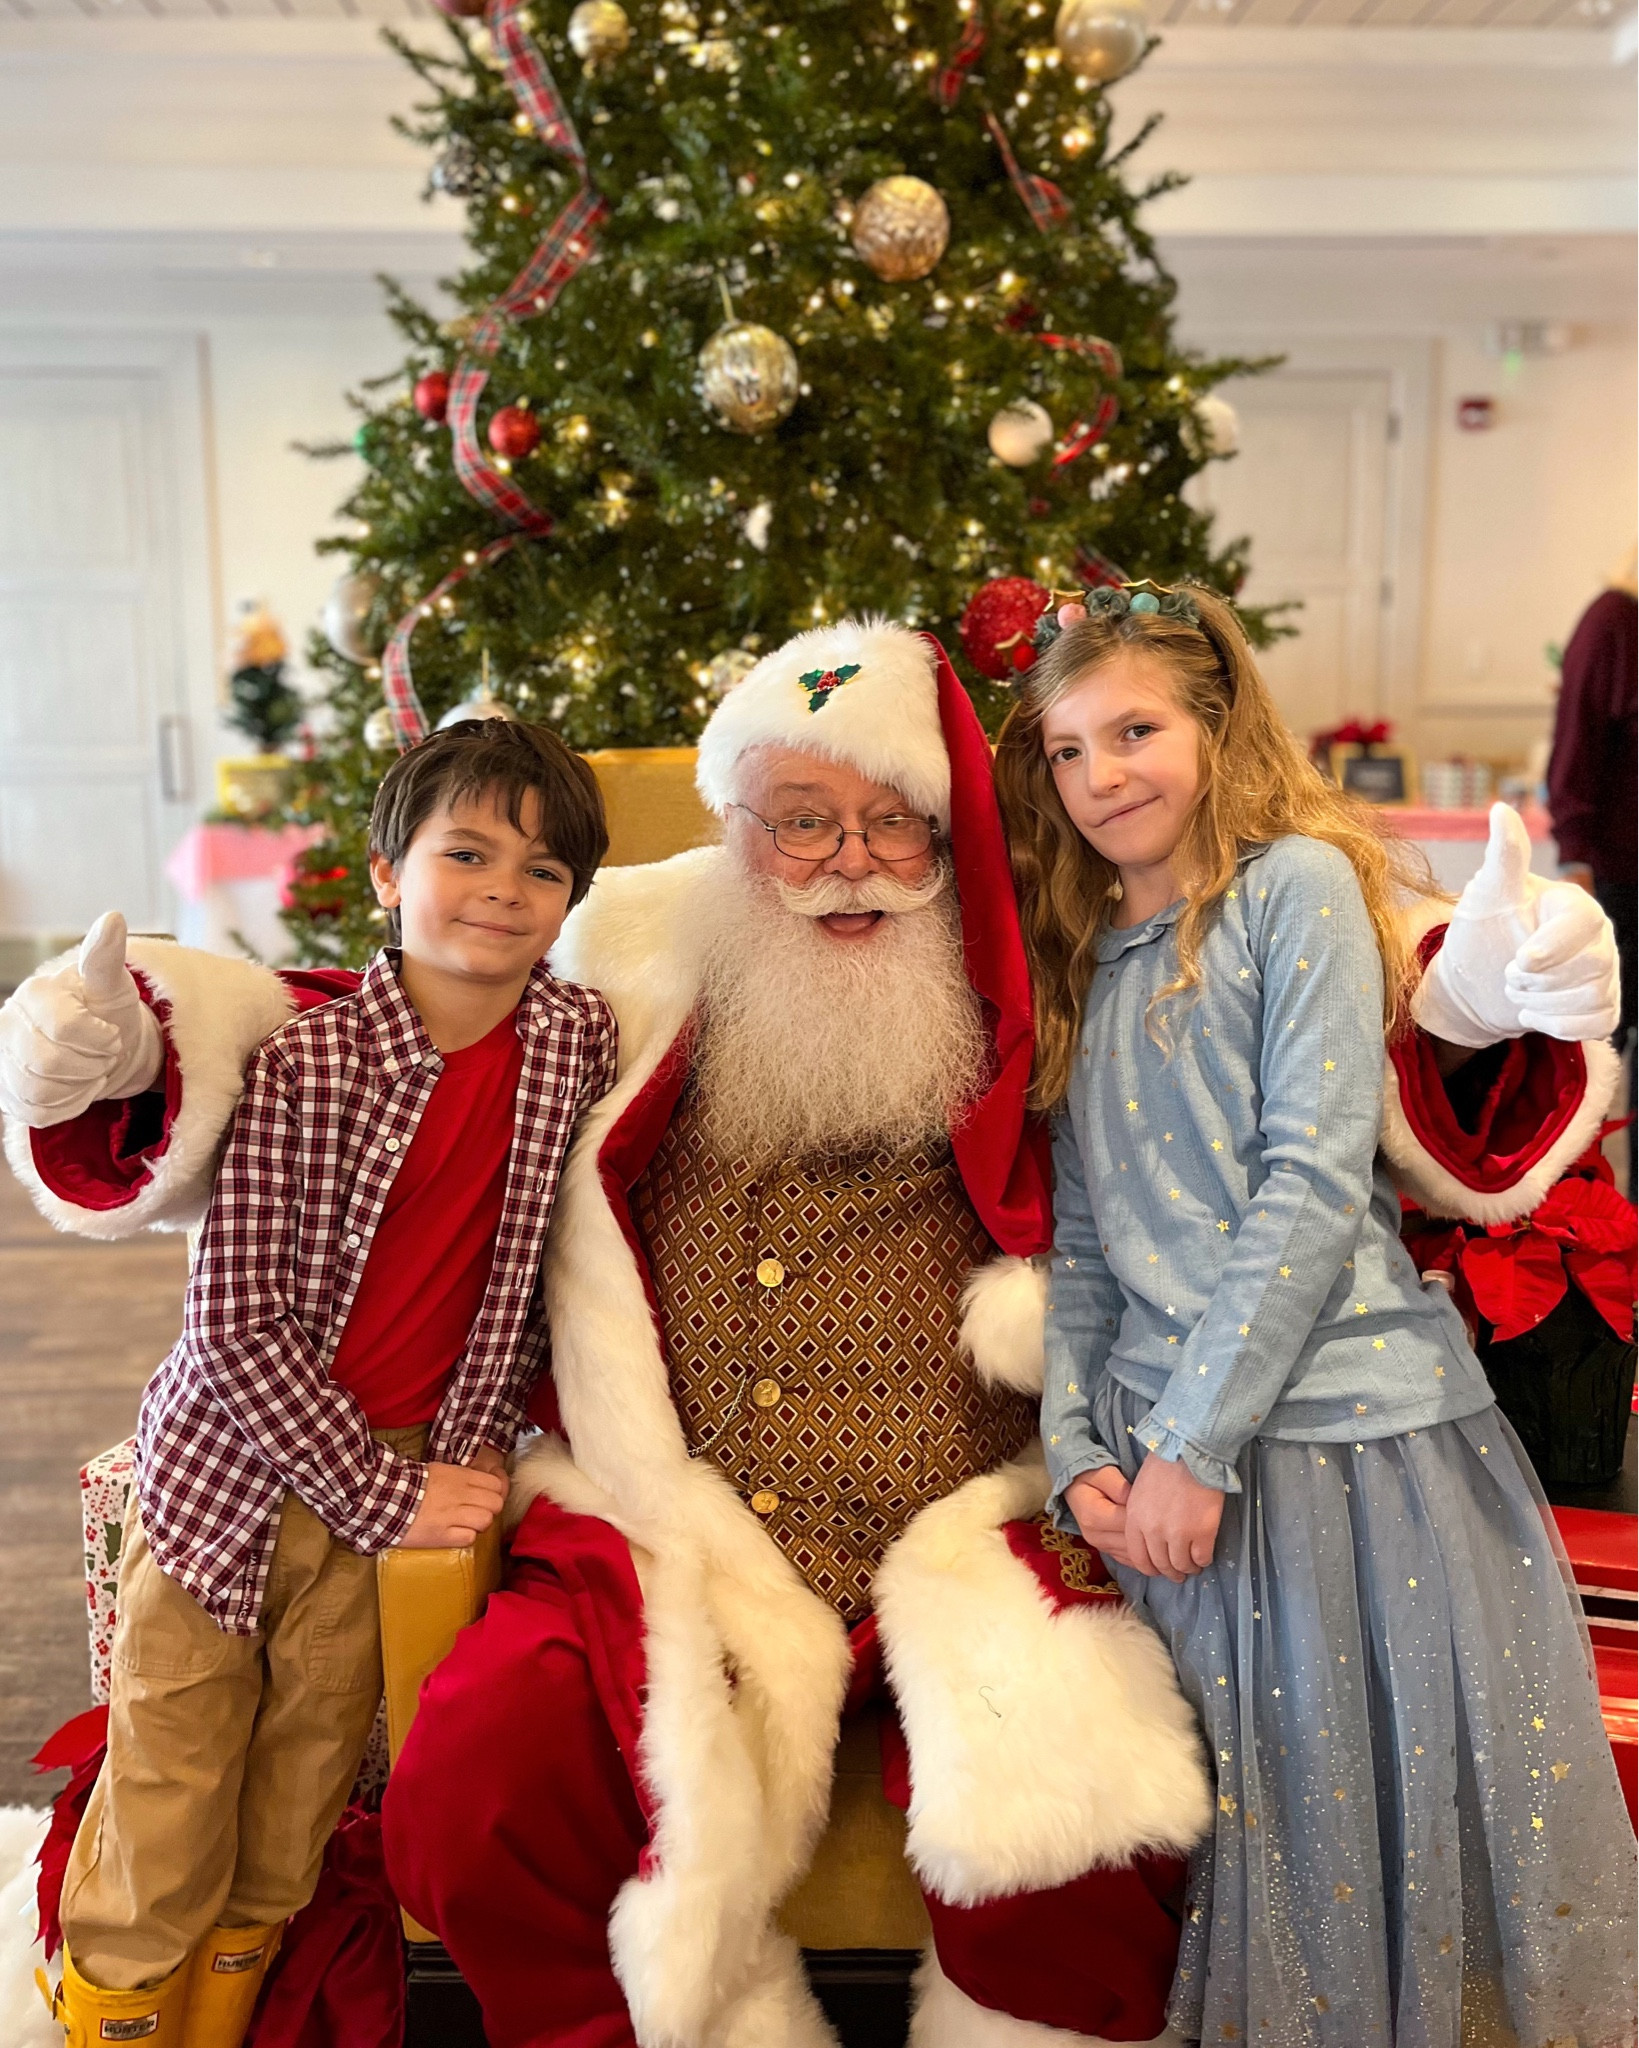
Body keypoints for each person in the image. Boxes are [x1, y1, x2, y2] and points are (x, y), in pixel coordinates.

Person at [0, 621, 1622, 2048]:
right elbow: (370, 1001)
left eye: (885, 821)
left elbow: (1302, 1009)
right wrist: (132, 1026)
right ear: (733, 822)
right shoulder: (618, 954)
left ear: (944, 828)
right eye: (797, 818)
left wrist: (1480, 985)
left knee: (1097, 1823)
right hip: (672, 1521)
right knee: (470, 1784)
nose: (845, 856)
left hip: (967, 1511)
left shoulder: (1048, 962)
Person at [996, 582, 1637, 2048]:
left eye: (1135, 730)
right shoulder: (1088, 957)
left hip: (1342, 1455)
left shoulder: (1289, 890)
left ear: (1215, 724)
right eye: (1067, 750)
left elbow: (1302, 1183)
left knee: (1365, 1849)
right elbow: (1085, 1239)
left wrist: (1190, 1451)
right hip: (1166, 1478)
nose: (1101, 777)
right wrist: (1077, 1442)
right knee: (1255, 1845)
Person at [33, 719, 615, 2048]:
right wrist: (375, 1494)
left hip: (413, 1466)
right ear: (384, 873)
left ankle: (231, 2009)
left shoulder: (576, 1039)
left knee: (302, 1781)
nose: (502, 892)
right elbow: (230, 1322)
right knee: (176, 1765)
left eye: (542, 873)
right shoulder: (310, 1067)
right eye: (466, 852)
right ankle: (112, 2012)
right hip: (233, 1476)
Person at [1547, 556, 1637, 1195]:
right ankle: (1584, 1241)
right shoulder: (1614, 620)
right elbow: (1573, 750)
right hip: (1617, 882)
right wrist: (1576, 862)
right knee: (1590, 1068)